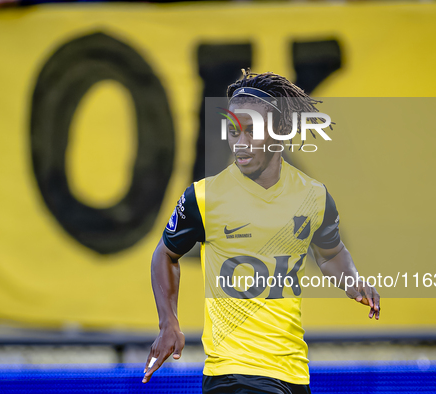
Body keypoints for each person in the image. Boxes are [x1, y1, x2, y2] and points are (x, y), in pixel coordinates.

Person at [143, 70, 381, 393]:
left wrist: (353, 281)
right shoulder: (204, 197)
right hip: (232, 373)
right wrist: (168, 322)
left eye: (251, 131)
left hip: (293, 372)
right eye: (233, 131)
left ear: (280, 131)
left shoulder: (314, 196)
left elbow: (331, 253)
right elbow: (165, 253)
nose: (239, 144)